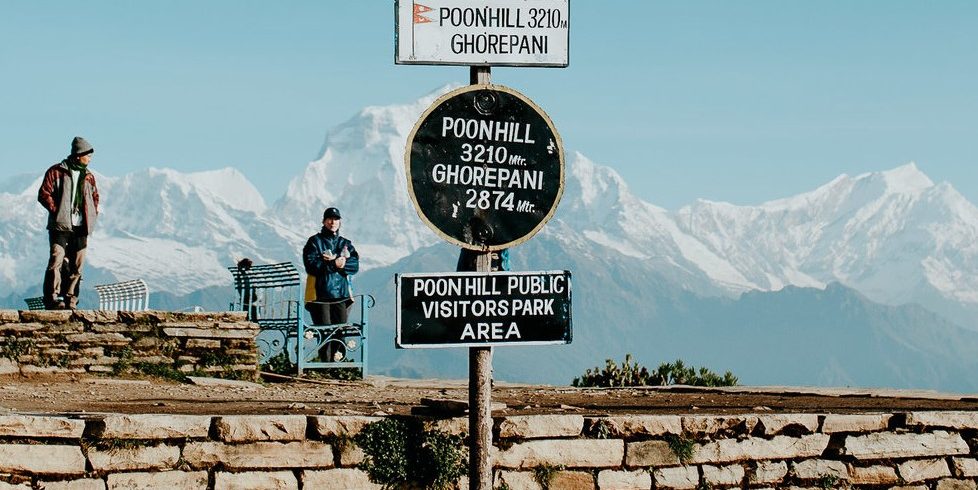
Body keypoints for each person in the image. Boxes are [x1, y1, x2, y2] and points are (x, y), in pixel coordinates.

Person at [37, 136, 100, 310]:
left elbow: (95, 197)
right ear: (79, 154)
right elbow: (44, 193)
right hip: (60, 225)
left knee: (77, 265)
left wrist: (93, 214)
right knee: (56, 260)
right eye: (88, 155)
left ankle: (71, 299)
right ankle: (52, 298)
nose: (90, 159)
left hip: (81, 227)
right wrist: (56, 210)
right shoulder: (56, 171)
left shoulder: (89, 177)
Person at [303, 207, 359, 360]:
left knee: (339, 331)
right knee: (325, 331)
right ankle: (325, 366)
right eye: (329, 219)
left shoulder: (345, 243)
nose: (333, 222)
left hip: (341, 294)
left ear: (340, 222)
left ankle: (338, 365)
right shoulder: (314, 242)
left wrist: (342, 264)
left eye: (336, 219)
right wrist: (335, 264)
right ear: (323, 221)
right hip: (319, 294)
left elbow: (355, 265)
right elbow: (311, 265)